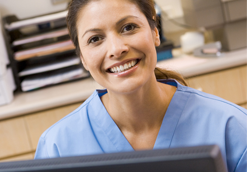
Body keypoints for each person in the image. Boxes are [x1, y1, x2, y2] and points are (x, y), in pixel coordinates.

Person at [35, 0, 247, 171]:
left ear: (155, 32)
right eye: (95, 39)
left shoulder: (232, 127)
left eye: (128, 27)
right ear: (82, 57)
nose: (116, 49)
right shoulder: (57, 148)